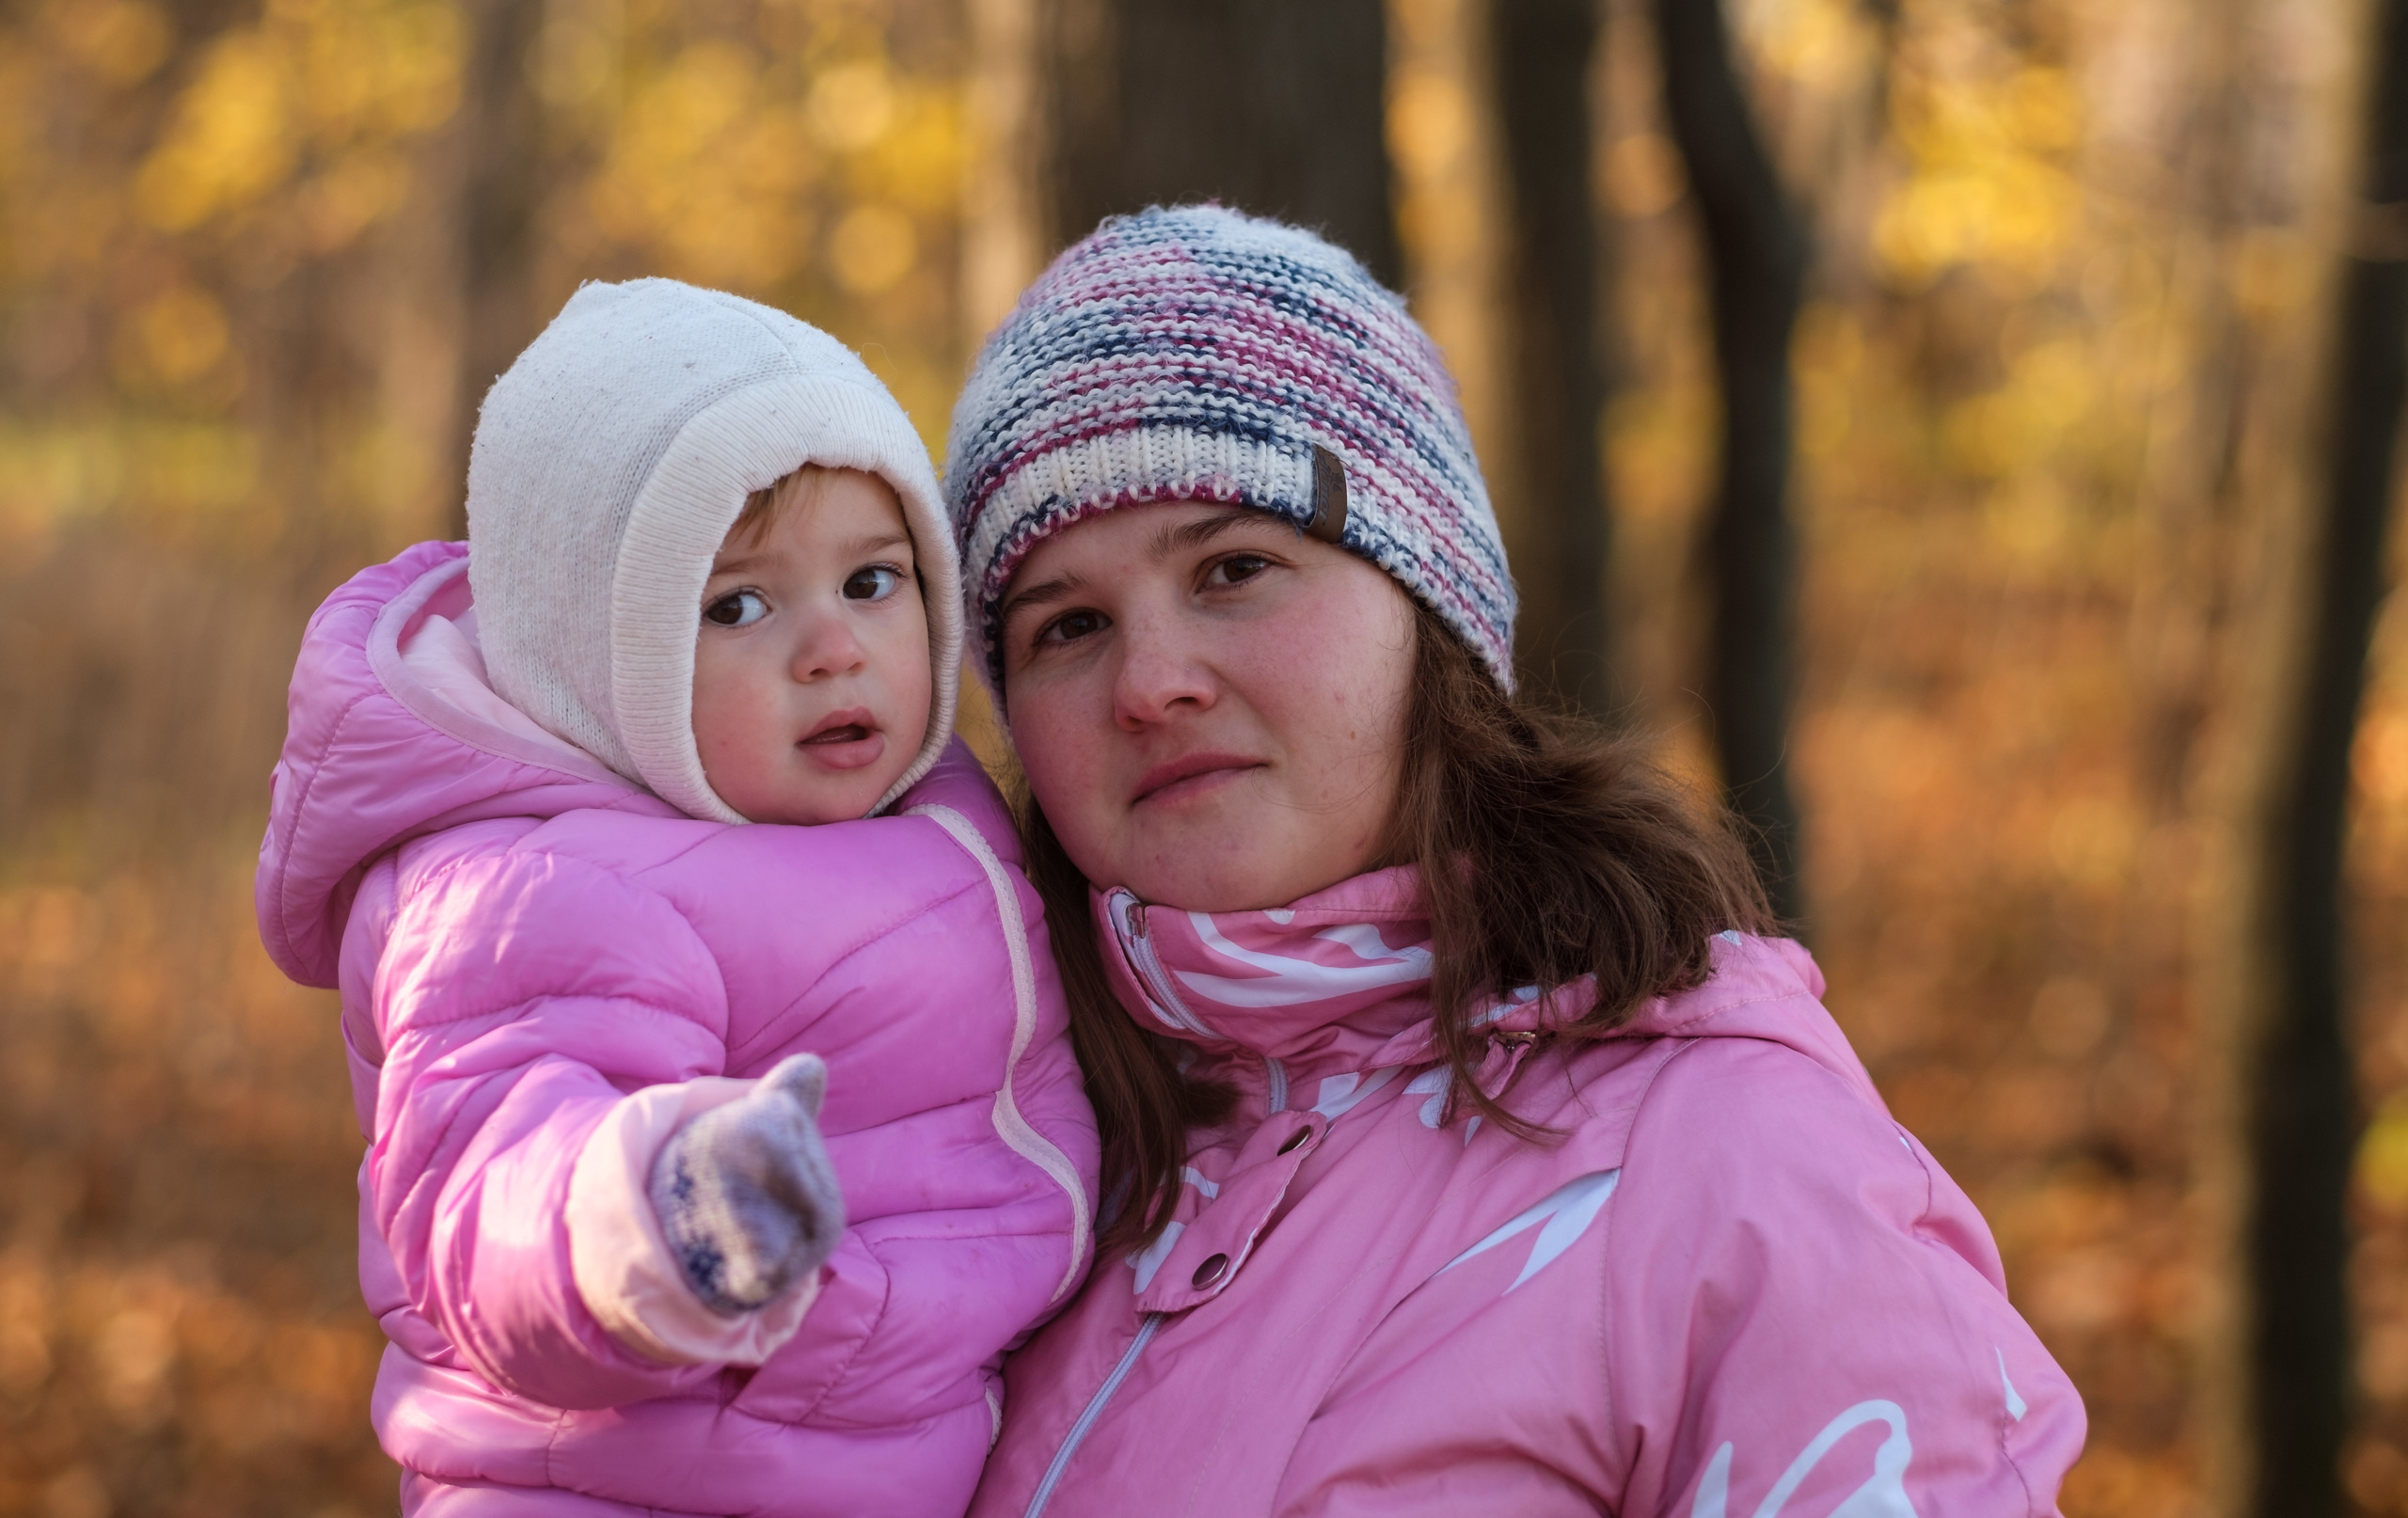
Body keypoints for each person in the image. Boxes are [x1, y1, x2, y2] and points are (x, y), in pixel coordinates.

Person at [942, 205, 2086, 1517]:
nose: (1150, 682)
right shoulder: (1012, 1174)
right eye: (1068, 624)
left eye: (1236, 567)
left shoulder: (1730, 1173)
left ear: (1429, 609)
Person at [253, 278, 1097, 1516]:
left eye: (873, 581)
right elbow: (484, 1182)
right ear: (600, 662)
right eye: (738, 606)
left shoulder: (936, 809)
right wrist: (652, 1218)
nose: (832, 647)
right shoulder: (539, 887)